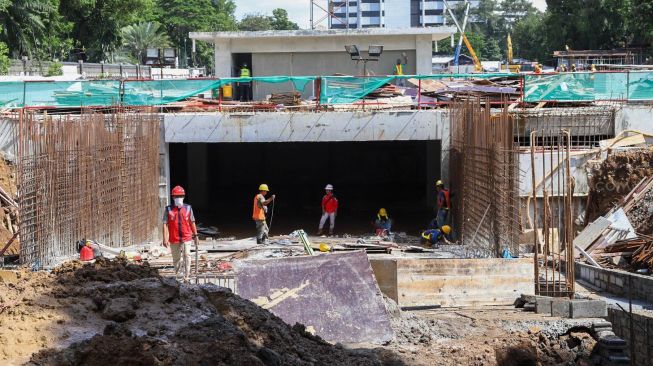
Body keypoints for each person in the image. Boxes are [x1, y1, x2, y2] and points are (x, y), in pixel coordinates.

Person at [163, 185, 198, 282]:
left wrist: (196, 235)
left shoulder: (188, 208)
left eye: (180, 196)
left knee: (187, 255)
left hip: (186, 237)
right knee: (176, 258)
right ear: (173, 197)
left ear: (183, 197)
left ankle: (187, 276)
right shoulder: (168, 209)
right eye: (176, 196)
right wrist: (165, 238)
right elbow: (165, 224)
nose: (179, 198)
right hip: (174, 238)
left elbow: (192, 222)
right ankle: (179, 277)